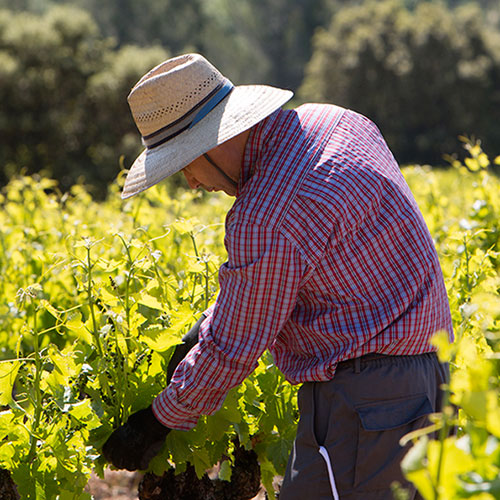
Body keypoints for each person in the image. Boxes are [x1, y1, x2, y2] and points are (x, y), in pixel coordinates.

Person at [102, 53, 453, 499]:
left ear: (215, 141)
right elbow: (300, 267)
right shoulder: (337, 122)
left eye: (184, 163)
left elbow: (233, 349)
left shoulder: (265, 216)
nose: (191, 182)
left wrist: (158, 420)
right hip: (429, 382)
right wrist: (201, 332)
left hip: (365, 407)